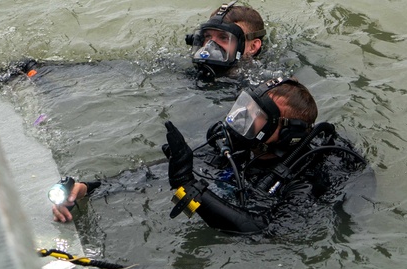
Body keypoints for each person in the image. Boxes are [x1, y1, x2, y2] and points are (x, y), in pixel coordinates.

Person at [49, 77, 367, 234]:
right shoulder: (243, 148)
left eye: (260, 116)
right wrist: (90, 188)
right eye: (249, 108)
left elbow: (257, 229)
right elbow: (163, 176)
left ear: (287, 133)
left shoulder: (309, 176)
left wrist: (187, 186)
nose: (246, 120)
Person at [184, 1, 267, 81]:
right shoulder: (186, 74)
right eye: (208, 36)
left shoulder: (262, 81)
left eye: (223, 37)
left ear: (253, 47)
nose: (210, 45)